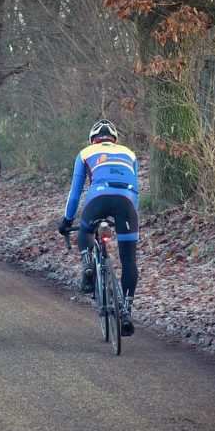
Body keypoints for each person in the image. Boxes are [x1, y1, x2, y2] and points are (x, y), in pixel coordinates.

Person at [57, 119, 139, 336]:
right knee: (129, 260)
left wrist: (66, 221)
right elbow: (136, 190)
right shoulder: (130, 153)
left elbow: (75, 195)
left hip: (98, 199)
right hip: (127, 203)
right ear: (115, 140)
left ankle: (88, 267)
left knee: (85, 229)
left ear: (93, 139)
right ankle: (127, 311)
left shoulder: (85, 153)